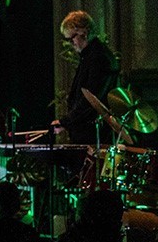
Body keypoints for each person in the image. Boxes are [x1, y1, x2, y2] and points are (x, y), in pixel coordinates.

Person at [51, 10, 119, 143]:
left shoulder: (98, 58)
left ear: (84, 32)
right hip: (88, 132)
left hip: (94, 135)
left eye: (72, 38)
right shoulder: (90, 56)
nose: (71, 43)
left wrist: (65, 121)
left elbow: (91, 100)